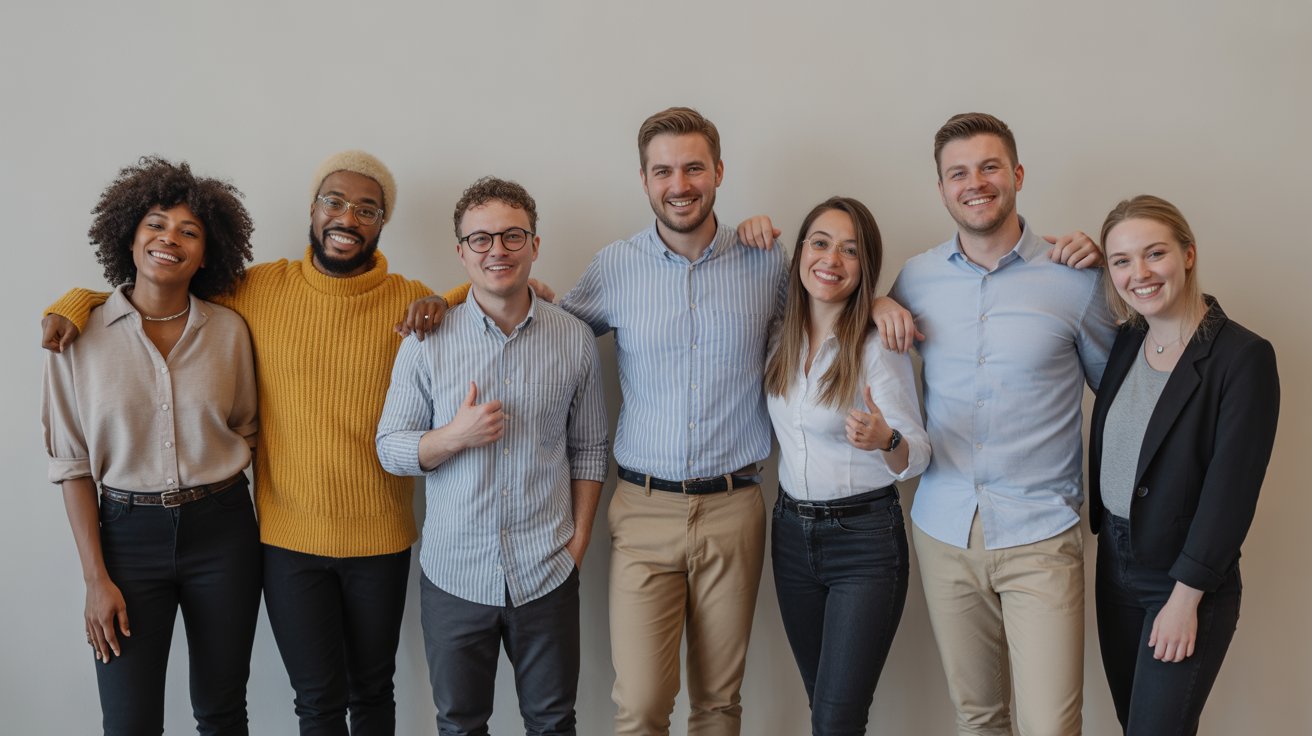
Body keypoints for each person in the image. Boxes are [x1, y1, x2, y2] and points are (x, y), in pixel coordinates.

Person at [40, 151, 479, 736]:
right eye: (334, 201)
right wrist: (77, 300)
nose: (347, 217)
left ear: (382, 222)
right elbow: (160, 282)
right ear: (313, 208)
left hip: (366, 535)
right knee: (312, 701)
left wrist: (486, 293)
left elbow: (474, 300)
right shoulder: (258, 289)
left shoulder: (409, 301)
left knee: (366, 691)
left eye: (367, 209)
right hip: (281, 539)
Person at [735, 113, 1113, 736]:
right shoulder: (916, 279)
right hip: (945, 529)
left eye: (989, 167)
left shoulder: (1073, 279)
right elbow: (858, 307)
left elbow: (1120, 392)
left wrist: (1112, 261)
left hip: (1040, 530)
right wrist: (882, 300)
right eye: (958, 173)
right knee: (976, 717)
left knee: (1050, 725)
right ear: (941, 189)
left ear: (1017, 174)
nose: (975, 183)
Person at [376, 176, 609, 736]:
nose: (496, 250)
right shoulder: (425, 340)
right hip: (454, 576)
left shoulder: (574, 338)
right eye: (480, 239)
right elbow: (390, 448)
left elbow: (590, 449)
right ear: (461, 253)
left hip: (546, 573)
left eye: (512, 236)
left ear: (534, 245)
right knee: (460, 724)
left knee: (553, 723)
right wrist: (453, 436)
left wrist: (577, 544)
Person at [42, 157, 261, 735]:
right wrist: (95, 579)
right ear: (130, 237)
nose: (170, 239)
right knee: (128, 721)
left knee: (222, 712)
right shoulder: (75, 336)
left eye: (189, 231)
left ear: (207, 255)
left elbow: (247, 429)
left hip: (224, 531)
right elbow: (72, 464)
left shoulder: (230, 332)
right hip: (124, 541)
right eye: (156, 225)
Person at [1089, 195, 1279, 735]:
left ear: (1188, 254)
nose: (1139, 273)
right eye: (1122, 261)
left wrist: (1184, 598)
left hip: (1182, 577)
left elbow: (1231, 492)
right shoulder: (1128, 339)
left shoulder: (1242, 356)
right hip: (1114, 564)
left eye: (1155, 253)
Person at [763, 196, 930, 735]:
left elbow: (917, 453)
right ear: (800, 253)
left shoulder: (877, 347)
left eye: (850, 250)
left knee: (836, 719)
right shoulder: (778, 337)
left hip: (864, 542)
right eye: (821, 243)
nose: (832, 259)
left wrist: (887, 439)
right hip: (790, 535)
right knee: (825, 709)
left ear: (865, 266)